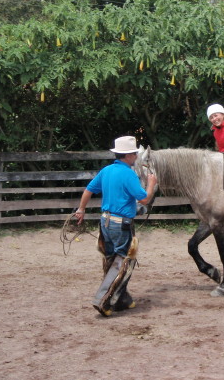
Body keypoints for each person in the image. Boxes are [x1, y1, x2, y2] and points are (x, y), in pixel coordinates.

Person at [75, 136, 157, 317]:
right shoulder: (128, 174)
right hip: (121, 224)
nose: (136, 155)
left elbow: (88, 189)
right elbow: (144, 199)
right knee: (123, 262)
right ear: (128, 156)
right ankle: (103, 299)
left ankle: (122, 298)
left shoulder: (107, 170)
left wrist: (81, 209)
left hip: (105, 222)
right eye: (134, 153)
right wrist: (151, 185)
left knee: (111, 260)